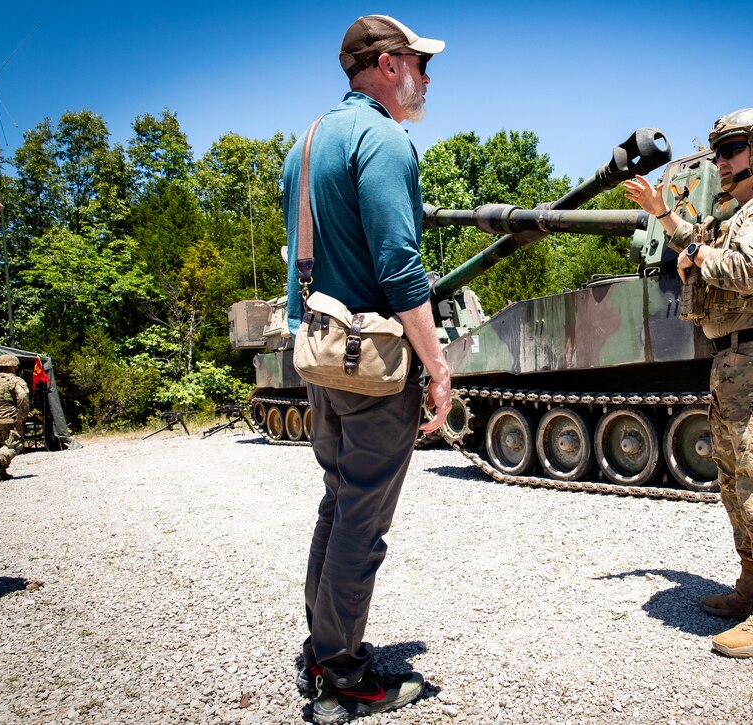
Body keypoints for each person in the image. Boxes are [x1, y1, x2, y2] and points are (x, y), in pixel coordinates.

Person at [281, 14, 452, 723]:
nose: (428, 77)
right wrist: (437, 364)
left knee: (336, 502)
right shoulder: (384, 139)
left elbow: (302, 263)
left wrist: (302, 337)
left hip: (320, 356)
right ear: (387, 65)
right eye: (420, 63)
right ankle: (344, 677)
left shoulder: (308, 140)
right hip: (377, 368)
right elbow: (399, 265)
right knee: (363, 519)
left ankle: (322, 648)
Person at [623, 108, 753, 658]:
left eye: (731, 150)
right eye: (719, 151)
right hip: (736, 361)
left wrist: (692, 252)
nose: (720, 162)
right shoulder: (745, 210)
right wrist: (665, 216)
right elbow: (703, 243)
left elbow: (744, 270)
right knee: (735, 482)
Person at [0, 354, 30, 482]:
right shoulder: (15, 380)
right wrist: (21, 416)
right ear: (11, 365)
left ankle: (2, 472)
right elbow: (22, 396)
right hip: (9, 418)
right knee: (14, 445)